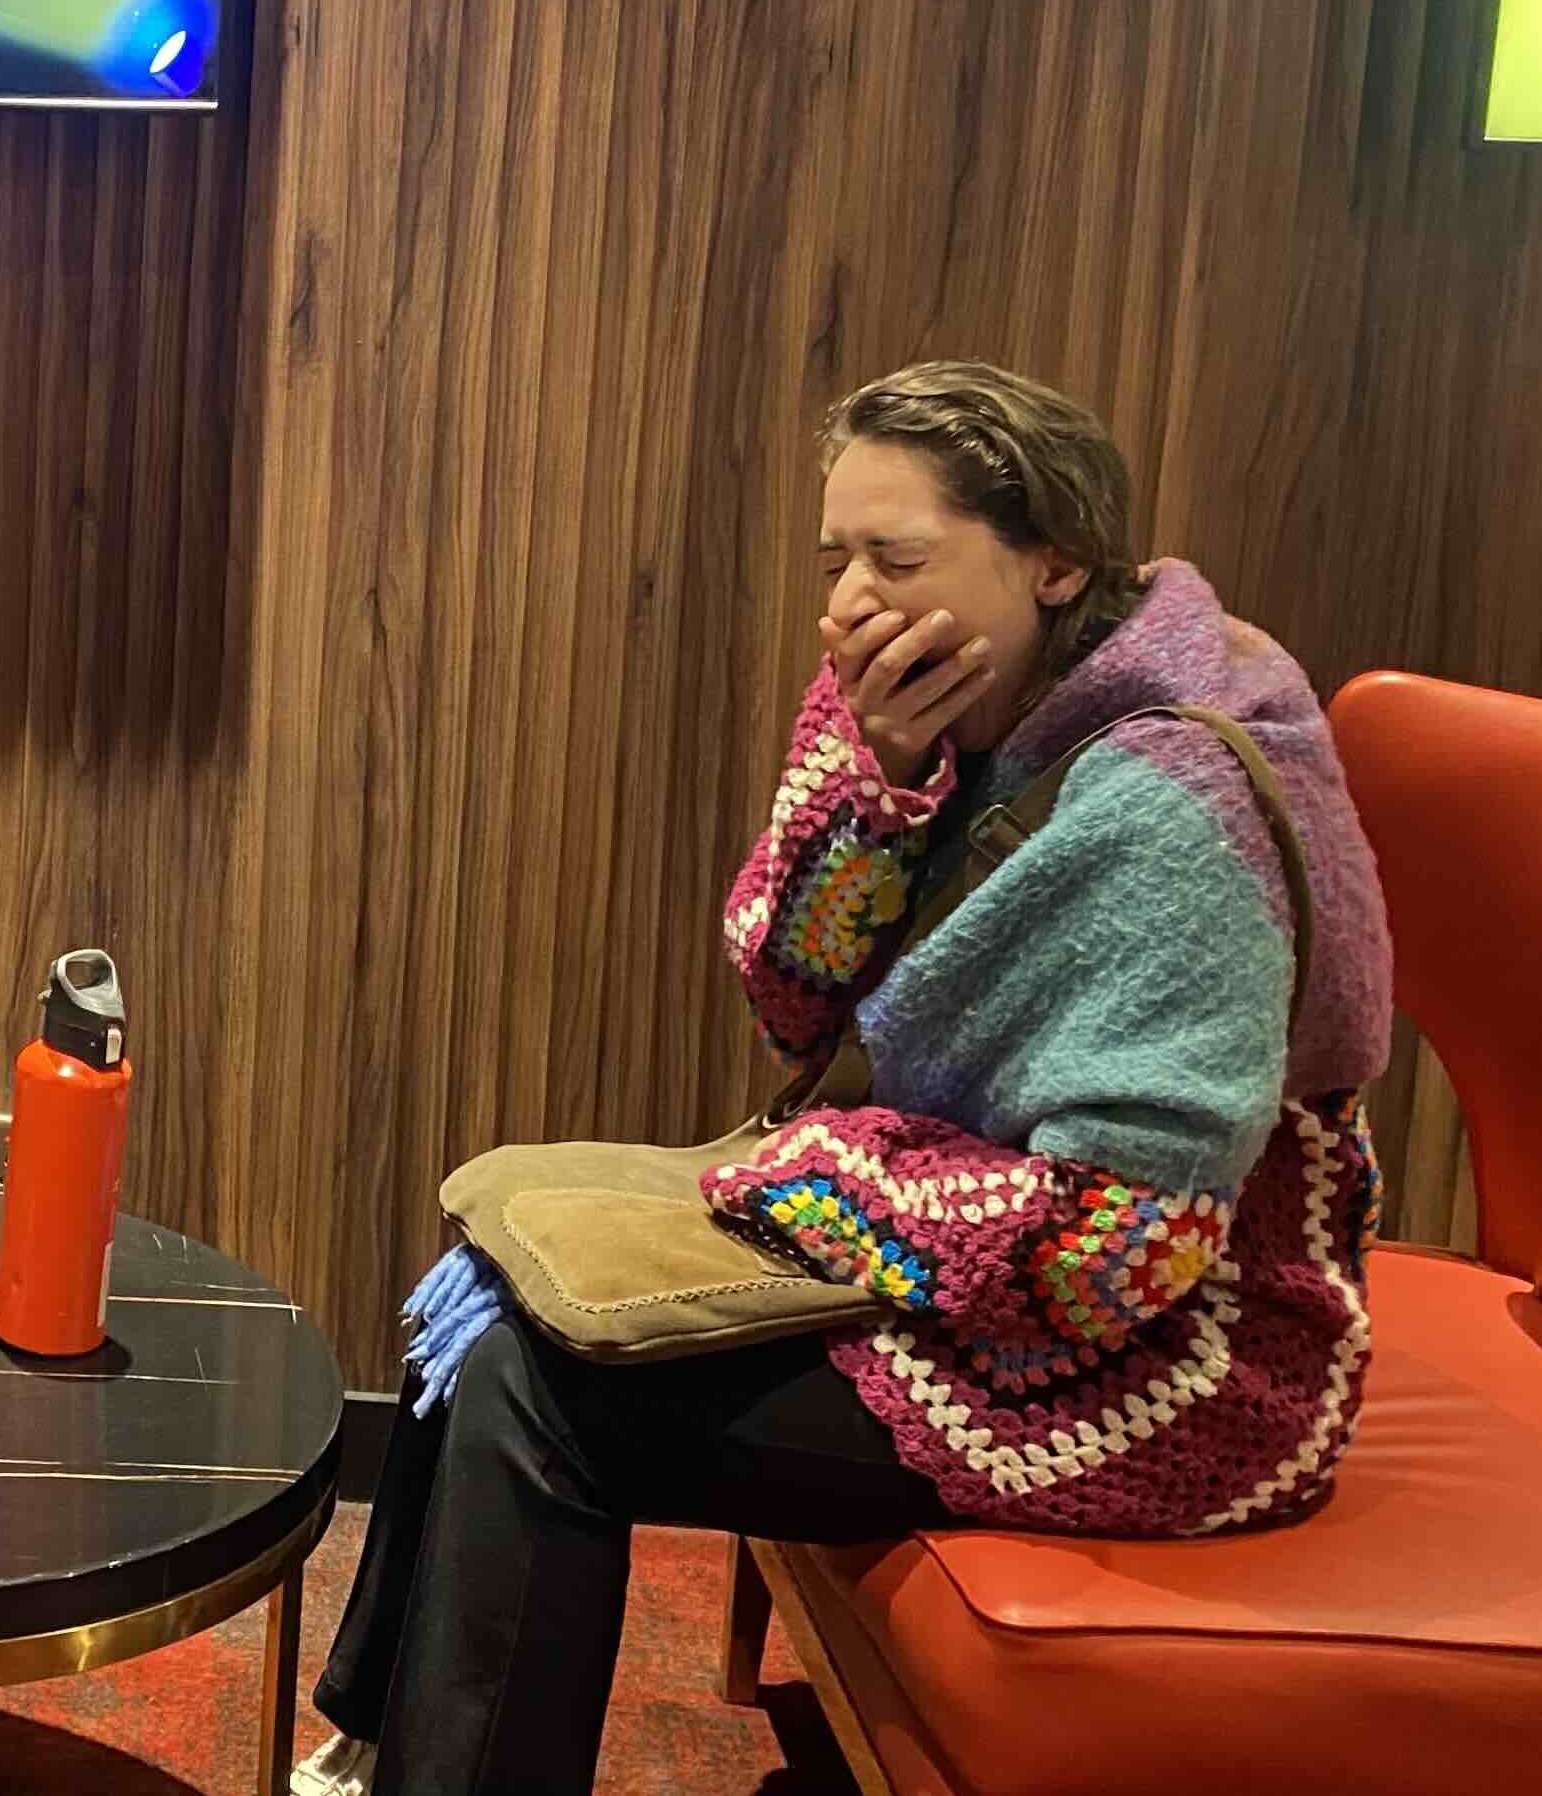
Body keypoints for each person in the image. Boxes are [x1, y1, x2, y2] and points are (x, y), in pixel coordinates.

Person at [296, 361, 1394, 1796]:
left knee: (536, 1392)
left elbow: (1124, 1249)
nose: (851, 605)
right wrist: (879, 776)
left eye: (899, 557)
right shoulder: (911, 706)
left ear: (1054, 558)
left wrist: (799, 1183)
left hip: (1171, 1358)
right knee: (493, 1275)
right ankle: (381, 1752)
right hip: (953, 1246)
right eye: (836, 563)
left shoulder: (1176, 804)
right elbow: (787, 990)